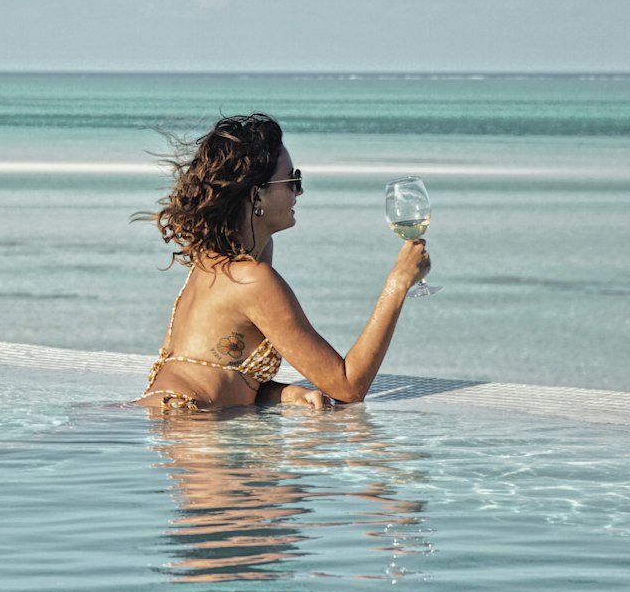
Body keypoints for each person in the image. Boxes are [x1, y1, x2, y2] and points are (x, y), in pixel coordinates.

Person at [138, 113, 431, 413]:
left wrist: (282, 393)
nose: (299, 191)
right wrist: (398, 283)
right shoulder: (252, 280)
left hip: (171, 423)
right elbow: (348, 386)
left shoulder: (208, 262)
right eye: (292, 180)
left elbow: (218, 372)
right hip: (189, 428)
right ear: (257, 196)